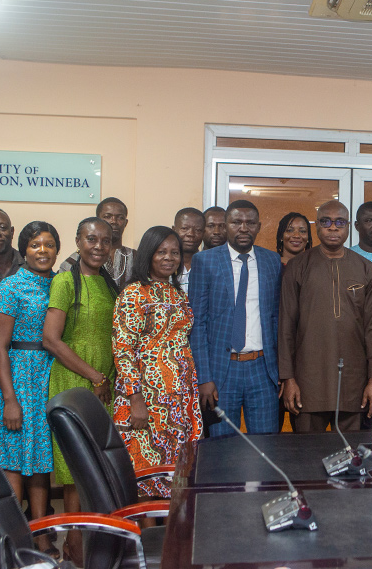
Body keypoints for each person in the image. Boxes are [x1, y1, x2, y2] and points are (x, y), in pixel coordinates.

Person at [42, 217, 119, 564]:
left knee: (97, 462)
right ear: (77, 241)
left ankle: (90, 535)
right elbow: (51, 340)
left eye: (105, 240)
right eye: (91, 239)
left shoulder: (109, 283)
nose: (98, 246)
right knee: (74, 465)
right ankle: (73, 541)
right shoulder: (63, 281)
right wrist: (94, 376)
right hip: (75, 380)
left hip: (105, 383)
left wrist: (107, 380)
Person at [0, 221, 60, 555]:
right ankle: (17, 537)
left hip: (49, 374)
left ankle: (41, 532)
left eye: (49, 245)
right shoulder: (11, 287)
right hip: (17, 376)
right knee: (14, 458)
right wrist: (9, 400)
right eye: (35, 245)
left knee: (40, 458)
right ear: (24, 250)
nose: (43, 251)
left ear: (58, 249)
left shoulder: (62, 284)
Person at [280, 200, 372, 432]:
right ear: (316, 227)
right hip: (308, 382)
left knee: (352, 457)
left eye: (339, 222)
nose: (333, 227)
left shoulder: (365, 268)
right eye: (325, 221)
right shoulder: (298, 267)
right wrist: (289, 379)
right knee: (306, 457)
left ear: (348, 227)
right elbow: (286, 327)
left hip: (354, 382)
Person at [112, 226, 203, 497]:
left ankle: (171, 535)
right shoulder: (134, 294)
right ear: (148, 255)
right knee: (144, 472)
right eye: (161, 251)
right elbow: (123, 349)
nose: (169, 257)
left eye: (174, 252)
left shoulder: (178, 294)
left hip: (179, 399)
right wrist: (135, 398)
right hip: (146, 400)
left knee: (176, 474)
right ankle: (145, 537)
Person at [190, 200, 282, 436]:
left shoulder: (272, 261)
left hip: (262, 369)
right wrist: (204, 378)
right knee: (222, 450)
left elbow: (275, 318)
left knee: (266, 444)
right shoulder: (205, 261)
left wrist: (280, 370)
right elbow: (197, 323)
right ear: (226, 226)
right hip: (222, 370)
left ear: (259, 226)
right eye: (236, 222)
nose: (244, 228)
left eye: (250, 223)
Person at [59, 197, 135, 289]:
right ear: (97, 220)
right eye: (107, 216)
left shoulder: (136, 257)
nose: (114, 221)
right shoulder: (73, 261)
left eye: (120, 218)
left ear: (126, 223)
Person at [172, 207, 206, 296]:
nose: (191, 234)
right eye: (184, 228)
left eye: (198, 230)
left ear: (204, 233)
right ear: (174, 230)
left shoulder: (209, 266)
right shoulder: (165, 265)